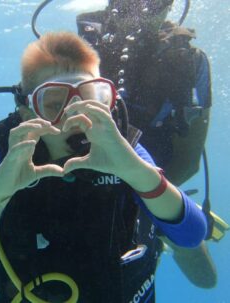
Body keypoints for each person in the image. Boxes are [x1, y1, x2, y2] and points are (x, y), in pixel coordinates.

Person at [0, 32, 207, 303]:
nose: (75, 114)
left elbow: (192, 234)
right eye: (54, 103)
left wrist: (133, 170)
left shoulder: (124, 151)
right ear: (28, 115)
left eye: (90, 98)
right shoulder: (10, 159)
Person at [76, 0, 219, 288]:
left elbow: (189, 159)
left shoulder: (189, 60)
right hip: (85, 173)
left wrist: (145, 200)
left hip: (155, 179)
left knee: (205, 278)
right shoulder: (80, 48)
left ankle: (161, 236)